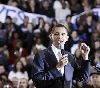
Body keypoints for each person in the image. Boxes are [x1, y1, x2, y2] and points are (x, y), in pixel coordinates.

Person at [32, 24, 90, 88]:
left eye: (63, 34)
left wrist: (85, 57)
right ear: (51, 36)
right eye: (56, 34)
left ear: (67, 38)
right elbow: (38, 82)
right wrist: (57, 68)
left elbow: (83, 78)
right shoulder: (41, 55)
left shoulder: (70, 56)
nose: (60, 36)